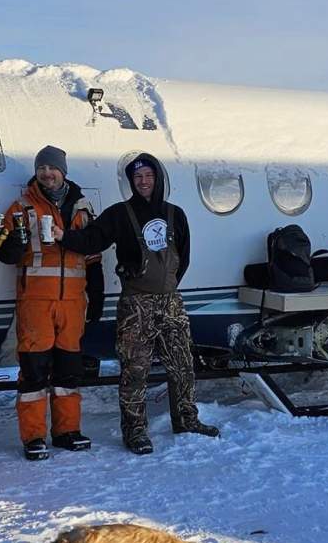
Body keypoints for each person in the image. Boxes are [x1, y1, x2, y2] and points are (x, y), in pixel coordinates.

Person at [55, 152, 217, 454]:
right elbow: (92, 240)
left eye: (149, 176)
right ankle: (135, 431)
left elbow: (183, 258)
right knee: (134, 371)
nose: (143, 181)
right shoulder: (119, 214)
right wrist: (64, 236)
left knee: (183, 366)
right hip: (135, 305)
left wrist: (165, 286)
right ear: (131, 181)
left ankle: (186, 420)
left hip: (171, 302)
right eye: (138, 177)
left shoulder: (176, 214)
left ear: (158, 178)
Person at [0, 146, 104, 461]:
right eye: (41, 168)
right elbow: (5, 255)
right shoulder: (22, 207)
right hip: (35, 303)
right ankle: (33, 436)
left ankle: (67, 431)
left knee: (69, 371)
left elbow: (93, 255)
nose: (47, 174)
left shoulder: (82, 208)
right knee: (34, 372)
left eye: (52, 168)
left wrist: (96, 296)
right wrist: (14, 245)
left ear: (63, 172)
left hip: (72, 303)